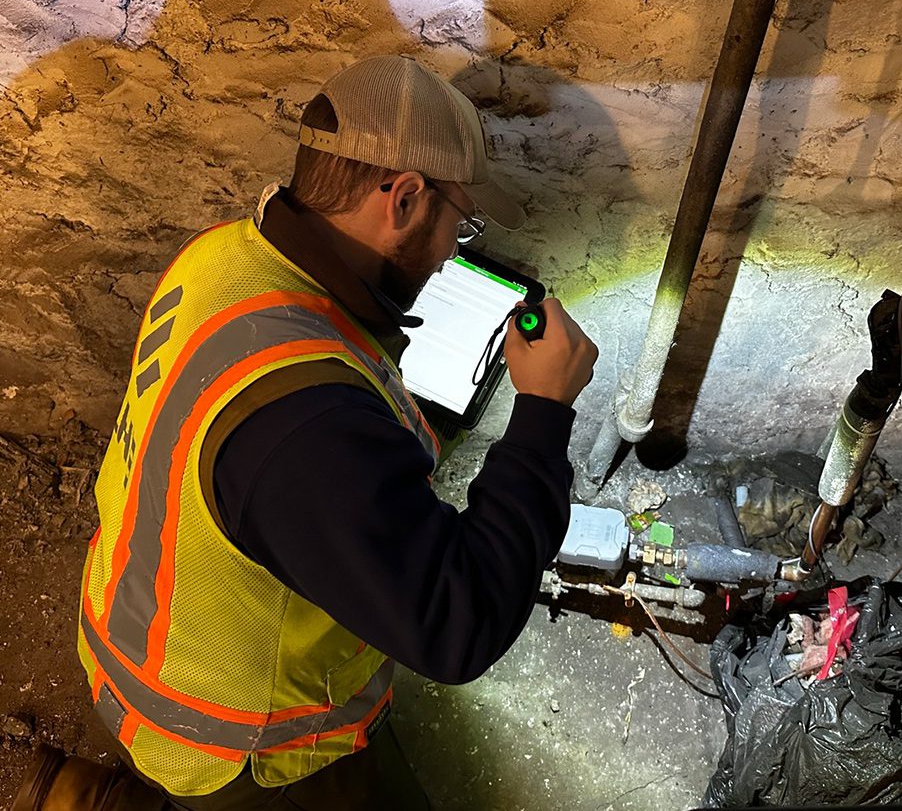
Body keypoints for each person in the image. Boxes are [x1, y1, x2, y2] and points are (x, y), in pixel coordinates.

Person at [72, 54, 598, 810]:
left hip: (127, 631)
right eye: (461, 219)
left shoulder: (228, 257)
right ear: (405, 198)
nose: (457, 245)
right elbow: (459, 624)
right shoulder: (308, 434)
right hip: (230, 739)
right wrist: (544, 412)